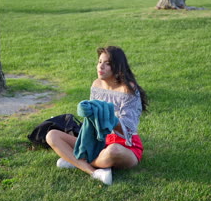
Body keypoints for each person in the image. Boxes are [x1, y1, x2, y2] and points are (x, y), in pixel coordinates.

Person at [46, 46, 148, 185]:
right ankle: (95, 171)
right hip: (98, 142)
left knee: (114, 150)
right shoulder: (96, 84)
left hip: (125, 145)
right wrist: (87, 111)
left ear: (117, 67)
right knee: (52, 135)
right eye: (100, 62)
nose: (101, 67)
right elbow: (91, 122)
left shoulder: (128, 89)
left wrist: (108, 118)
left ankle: (75, 160)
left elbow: (129, 128)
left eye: (107, 64)